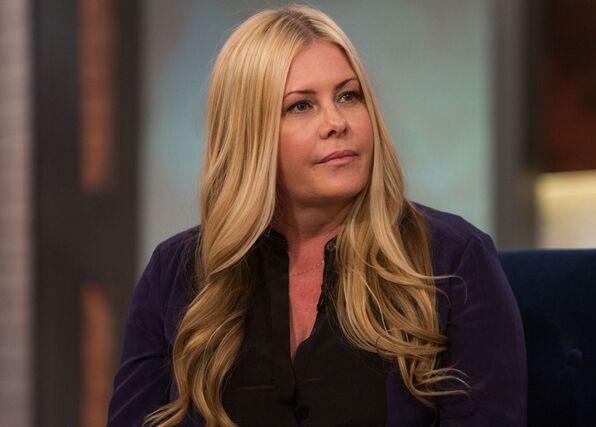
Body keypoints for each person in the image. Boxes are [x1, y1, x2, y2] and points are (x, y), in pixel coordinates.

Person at [106, 4, 527, 426]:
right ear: (249, 134)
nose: (336, 122)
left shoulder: (452, 259)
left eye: (348, 96)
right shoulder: (176, 273)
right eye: (301, 106)